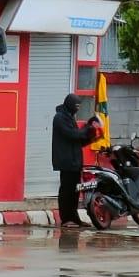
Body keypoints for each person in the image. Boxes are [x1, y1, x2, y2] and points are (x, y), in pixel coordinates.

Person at [51, 93, 100, 226]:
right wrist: (87, 127)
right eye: (76, 106)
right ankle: (66, 219)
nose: (77, 109)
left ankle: (74, 218)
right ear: (69, 104)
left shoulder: (70, 117)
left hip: (75, 162)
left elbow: (78, 141)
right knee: (66, 191)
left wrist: (91, 135)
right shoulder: (60, 118)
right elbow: (72, 135)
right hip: (66, 161)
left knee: (74, 192)